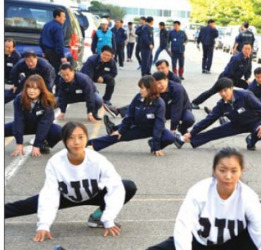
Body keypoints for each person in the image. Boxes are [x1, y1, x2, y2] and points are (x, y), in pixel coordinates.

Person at [54, 147, 261, 250]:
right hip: (197, 240)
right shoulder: (199, 192)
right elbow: (182, 230)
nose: (228, 176)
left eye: (233, 171)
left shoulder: (247, 197)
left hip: (232, 238)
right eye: (222, 170)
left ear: (241, 171)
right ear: (213, 171)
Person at [5, 121, 137, 237]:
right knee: (23, 206)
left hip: (94, 193)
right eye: (71, 138)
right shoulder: (55, 162)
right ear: (64, 140)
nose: (77, 142)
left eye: (81, 137)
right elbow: (50, 194)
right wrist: (43, 225)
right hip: (65, 196)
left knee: (127, 186)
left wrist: (109, 219)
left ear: (87, 138)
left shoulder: (98, 160)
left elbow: (115, 188)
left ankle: (98, 217)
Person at [88, 76, 175, 156]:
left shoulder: (159, 104)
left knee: (170, 137)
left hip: (154, 128)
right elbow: (129, 116)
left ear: (149, 89)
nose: (140, 90)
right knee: (116, 136)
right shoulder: (138, 97)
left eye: (142, 88)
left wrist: (156, 146)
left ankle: (153, 144)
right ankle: (89, 143)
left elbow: (159, 125)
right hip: (139, 127)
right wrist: (121, 131)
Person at [174, 78, 261, 151]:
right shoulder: (221, 105)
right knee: (215, 132)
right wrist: (191, 133)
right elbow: (208, 120)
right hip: (237, 124)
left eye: (225, 90)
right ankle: (187, 139)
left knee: (260, 132)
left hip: (254, 121)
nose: (223, 94)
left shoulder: (246, 95)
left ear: (231, 88)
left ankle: (251, 142)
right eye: (220, 92)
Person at [5, 74, 61, 157]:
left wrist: (37, 145)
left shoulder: (48, 100)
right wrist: (19, 143)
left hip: (41, 126)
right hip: (25, 125)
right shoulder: (19, 99)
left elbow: (44, 124)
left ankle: (44, 143)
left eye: (35, 88)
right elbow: (19, 121)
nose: (31, 91)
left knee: (59, 131)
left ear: (41, 89)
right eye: (29, 87)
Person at [191, 43, 253, 109]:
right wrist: (228, 85)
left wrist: (247, 79)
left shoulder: (249, 58)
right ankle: (194, 103)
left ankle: (249, 105)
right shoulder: (236, 58)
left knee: (249, 86)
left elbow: (248, 70)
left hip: (235, 79)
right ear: (242, 49)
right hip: (225, 78)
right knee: (212, 91)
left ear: (251, 50)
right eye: (245, 49)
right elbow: (228, 71)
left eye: (248, 49)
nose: (247, 51)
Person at [39, 8, 68, 73]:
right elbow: (59, 42)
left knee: (47, 71)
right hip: (54, 54)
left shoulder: (46, 25)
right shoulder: (58, 28)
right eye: (63, 16)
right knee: (55, 72)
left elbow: (41, 39)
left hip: (46, 52)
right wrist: (62, 56)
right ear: (57, 17)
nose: (64, 18)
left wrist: (43, 51)